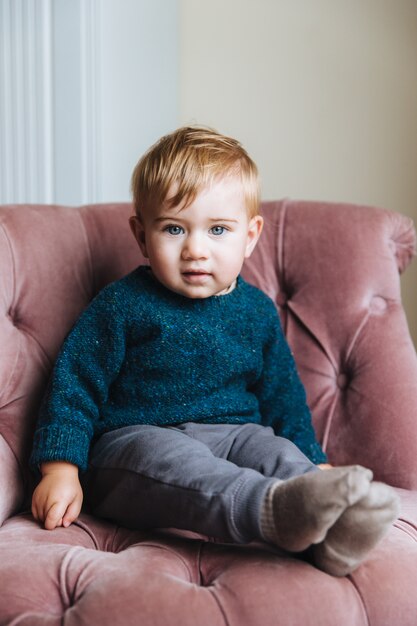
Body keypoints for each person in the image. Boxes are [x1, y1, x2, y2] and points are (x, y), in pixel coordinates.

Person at [30, 126, 399, 576]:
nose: (195, 250)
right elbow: (75, 384)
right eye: (173, 228)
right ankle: (272, 512)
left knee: (273, 452)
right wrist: (60, 467)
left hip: (235, 433)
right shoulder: (121, 304)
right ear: (142, 235)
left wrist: (313, 462)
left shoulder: (256, 312)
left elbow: (282, 396)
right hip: (136, 442)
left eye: (218, 229)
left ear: (250, 235)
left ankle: (330, 529)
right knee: (177, 464)